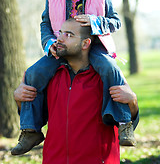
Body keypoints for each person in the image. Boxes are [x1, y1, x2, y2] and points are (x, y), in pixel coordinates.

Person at [11, 0, 134, 156]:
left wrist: (95, 22)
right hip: (61, 48)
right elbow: (45, 24)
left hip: (93, 46)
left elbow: (115, 22)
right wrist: (50, 44)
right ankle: (30, 129)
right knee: (32, 73)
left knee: (109, 68)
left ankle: (124, 122)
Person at [13, 19, 139, 163]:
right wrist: (19, 98)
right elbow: (39, 116)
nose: (59, 38)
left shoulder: (106, 77)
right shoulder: (50, 77)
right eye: (60, 33)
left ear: (85, 43)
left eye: (69, 35)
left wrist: (133, 101)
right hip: (54, 160)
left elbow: (126, 121)